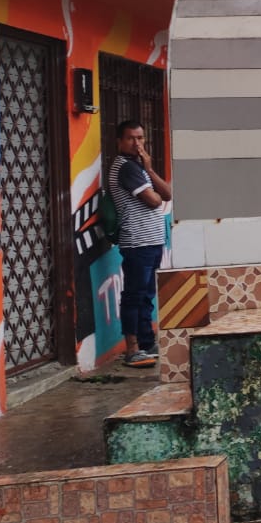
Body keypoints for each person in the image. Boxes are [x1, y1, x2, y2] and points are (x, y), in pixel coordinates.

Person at [109, 120, 171, 369]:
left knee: (146, 295)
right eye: (131, 139)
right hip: (137, 242)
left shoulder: (140, 167)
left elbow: (166, 194)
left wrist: (150, 168)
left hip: (152, 241)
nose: (137, 143)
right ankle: (132, 348)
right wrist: (150, 182)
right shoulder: (125, 168)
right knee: (134, 295)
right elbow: (154, 201)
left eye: (141, 138)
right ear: (120, 142)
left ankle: (147, 343)